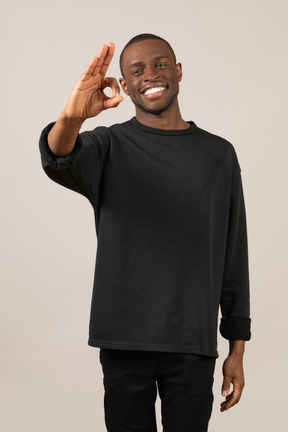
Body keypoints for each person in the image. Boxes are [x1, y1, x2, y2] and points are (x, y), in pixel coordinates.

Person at [39, 33, 251, 432]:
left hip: (192, 340)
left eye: (159, 64)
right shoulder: (108, 146)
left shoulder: (219, 155)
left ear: (179, 71)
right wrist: (72, 118)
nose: (150, 75)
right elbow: (59, 156)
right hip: (123, 340)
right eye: (136, 70)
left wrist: (237, 348)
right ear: (124, 84)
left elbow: (233, 253)